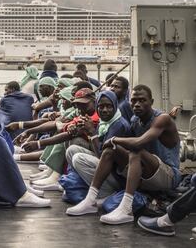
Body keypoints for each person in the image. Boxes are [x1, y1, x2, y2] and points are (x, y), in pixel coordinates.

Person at [66, 85, 181, 225]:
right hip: (146, 173)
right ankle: (90, 200)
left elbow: (138, 143)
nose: (137, 104)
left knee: (135, 150)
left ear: (151, 101)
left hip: (168, 175)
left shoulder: (162, 119)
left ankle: (126, 208)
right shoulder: (135, 121)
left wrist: (114, 139)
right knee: (110, 150)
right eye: (133, 100)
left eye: (142, 100)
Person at [65, 90, 131, 198]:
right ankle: (86, 185)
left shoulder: (118, 125)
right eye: (101, 106)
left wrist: (92, 132)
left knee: (78, 158)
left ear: (115, 106)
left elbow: (103, 156)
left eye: (109, 106)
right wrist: (81, 130)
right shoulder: (105, 122)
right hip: (107, 167)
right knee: (71, 150)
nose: (105, 110)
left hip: (116, 176)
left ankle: (105, 194)